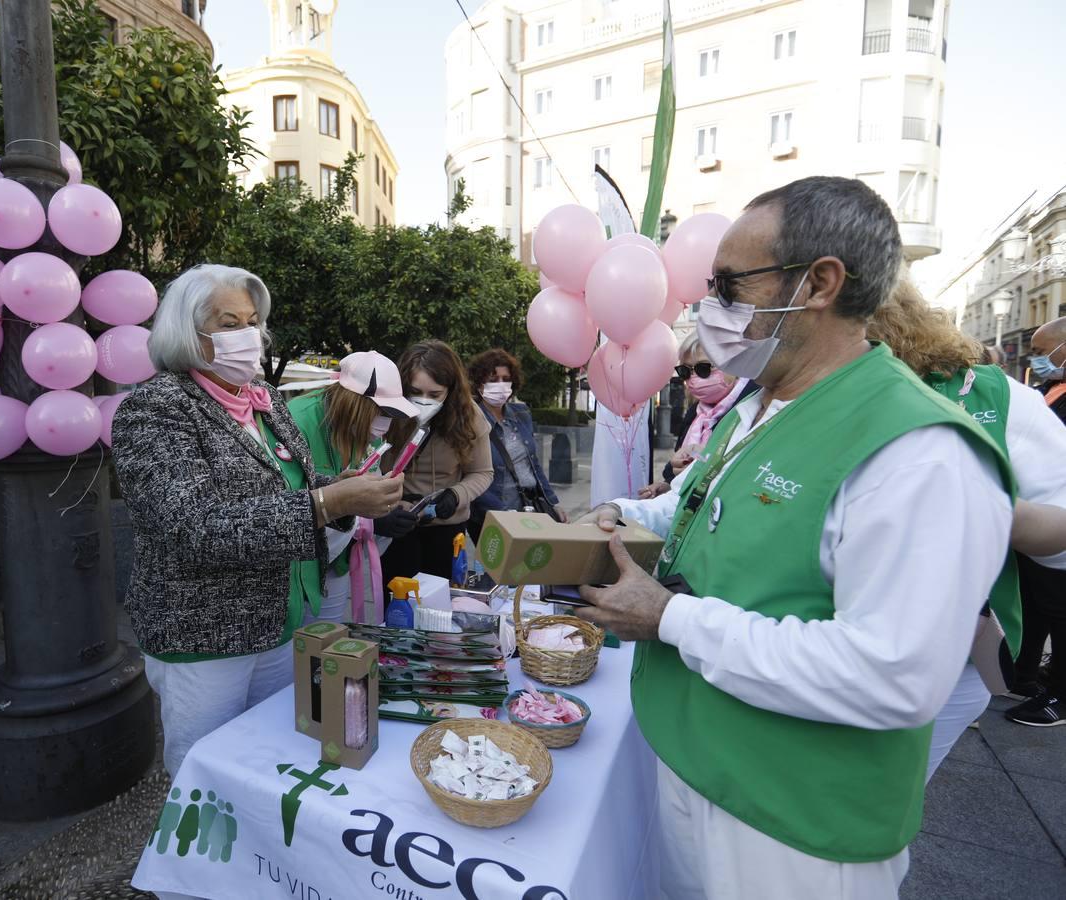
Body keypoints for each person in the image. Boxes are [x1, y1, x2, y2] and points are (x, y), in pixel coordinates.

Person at [575, 176, 1014, 900]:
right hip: (700, 771)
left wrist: (670, 618)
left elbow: (892, 674)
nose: (706, 309)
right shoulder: (765, 408)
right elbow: (691, 511)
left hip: (794, 830)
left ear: (819, 283)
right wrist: (612, 518)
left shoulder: (920, 453)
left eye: (728, 285)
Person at [112, 264, 402, 775]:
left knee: (266, 763)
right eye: (228, 323)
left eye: (251, 321)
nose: (247, 336)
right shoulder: (156, 408)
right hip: (204, 638)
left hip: (278, 625)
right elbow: (192, 527)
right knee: (206, 779)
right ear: (188, 330)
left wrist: (344, 501)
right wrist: (329, 504)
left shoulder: (266, 406)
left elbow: (304, 499)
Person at [868, 273, 1066, 766]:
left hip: (944, 656)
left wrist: (987, 508)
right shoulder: (778, 392)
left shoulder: (998, 400)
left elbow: (1061, 530)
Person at [287, 351, 419, 625]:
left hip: (336, 564)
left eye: (392, 413)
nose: (385, 422)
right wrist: (366, 522)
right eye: (381, 412)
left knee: (326, 648)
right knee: (293, 657)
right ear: (353, 403)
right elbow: (287, 502)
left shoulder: (364, 432)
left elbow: (366, 479)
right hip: (294, 569)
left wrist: (385, 505)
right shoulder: (296, 421)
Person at [380, 340, 492, 581]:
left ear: (451, 391)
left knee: (442, 608)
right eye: (415, 392)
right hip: (397, 527)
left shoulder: (469, 416)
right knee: (397, 607)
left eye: (435, 394)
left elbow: (483, 472)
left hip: (447, 530)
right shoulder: (387, 413)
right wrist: (386, 507)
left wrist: (456, 495)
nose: (424, 400)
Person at [1002, 314, 1066, 725]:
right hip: (1038, 515)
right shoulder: (1050, 389)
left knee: (1060, 611)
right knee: (1038, 604)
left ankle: (1058, 698)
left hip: (1057, 519)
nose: (1037, 359)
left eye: (1043, 353)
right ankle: (1029, 676)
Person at [637, 333, 756, 499]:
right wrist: (667, 485)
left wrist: (703, 468)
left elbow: (752, 476)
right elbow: (680, 462)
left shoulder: (756, 407)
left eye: (704, 369)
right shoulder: (695, 411)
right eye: (685, 371)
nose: (693, 378)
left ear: (733, 364)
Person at [466, 348, 566, 540]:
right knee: (497, 569)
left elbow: (533, 464)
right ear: (479, 384)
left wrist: (552, 501)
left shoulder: (521, 414)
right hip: (491, 514)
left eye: (506, 378)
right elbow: (469, 474)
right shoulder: (470, 420)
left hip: (528, 507)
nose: (500, 385)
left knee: (529, 566)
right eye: (493, 379)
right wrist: (501, 513)